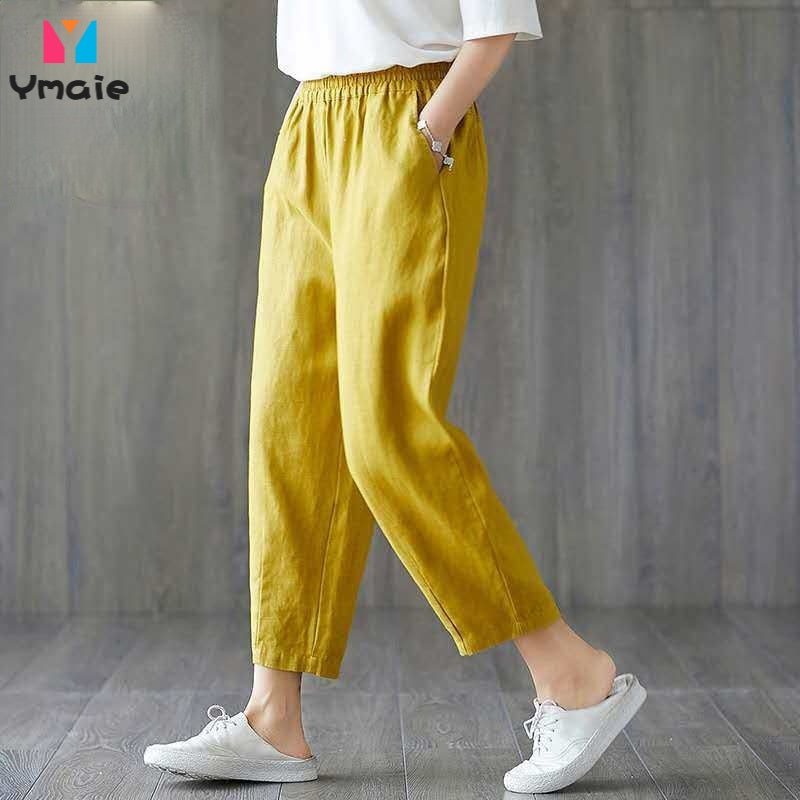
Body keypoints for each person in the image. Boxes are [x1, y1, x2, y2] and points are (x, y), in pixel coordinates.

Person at [143, 0, 646, 793]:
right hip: (310, 121)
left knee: (388, 431)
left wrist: (430, 129)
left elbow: (496, 22)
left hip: (408, 115)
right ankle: (274, 718)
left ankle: (570, 671)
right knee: (290, 425)